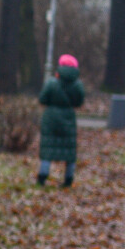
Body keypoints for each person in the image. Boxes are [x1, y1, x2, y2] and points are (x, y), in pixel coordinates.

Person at [37, 53, 85, 187]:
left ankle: (42, 176)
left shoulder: (52, 83)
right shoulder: (78, 85)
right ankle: (68, 179)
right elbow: (79, 102)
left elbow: (42, 99)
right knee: (69, 149)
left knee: (48, 147)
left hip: (50, 117)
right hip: (69, 117)